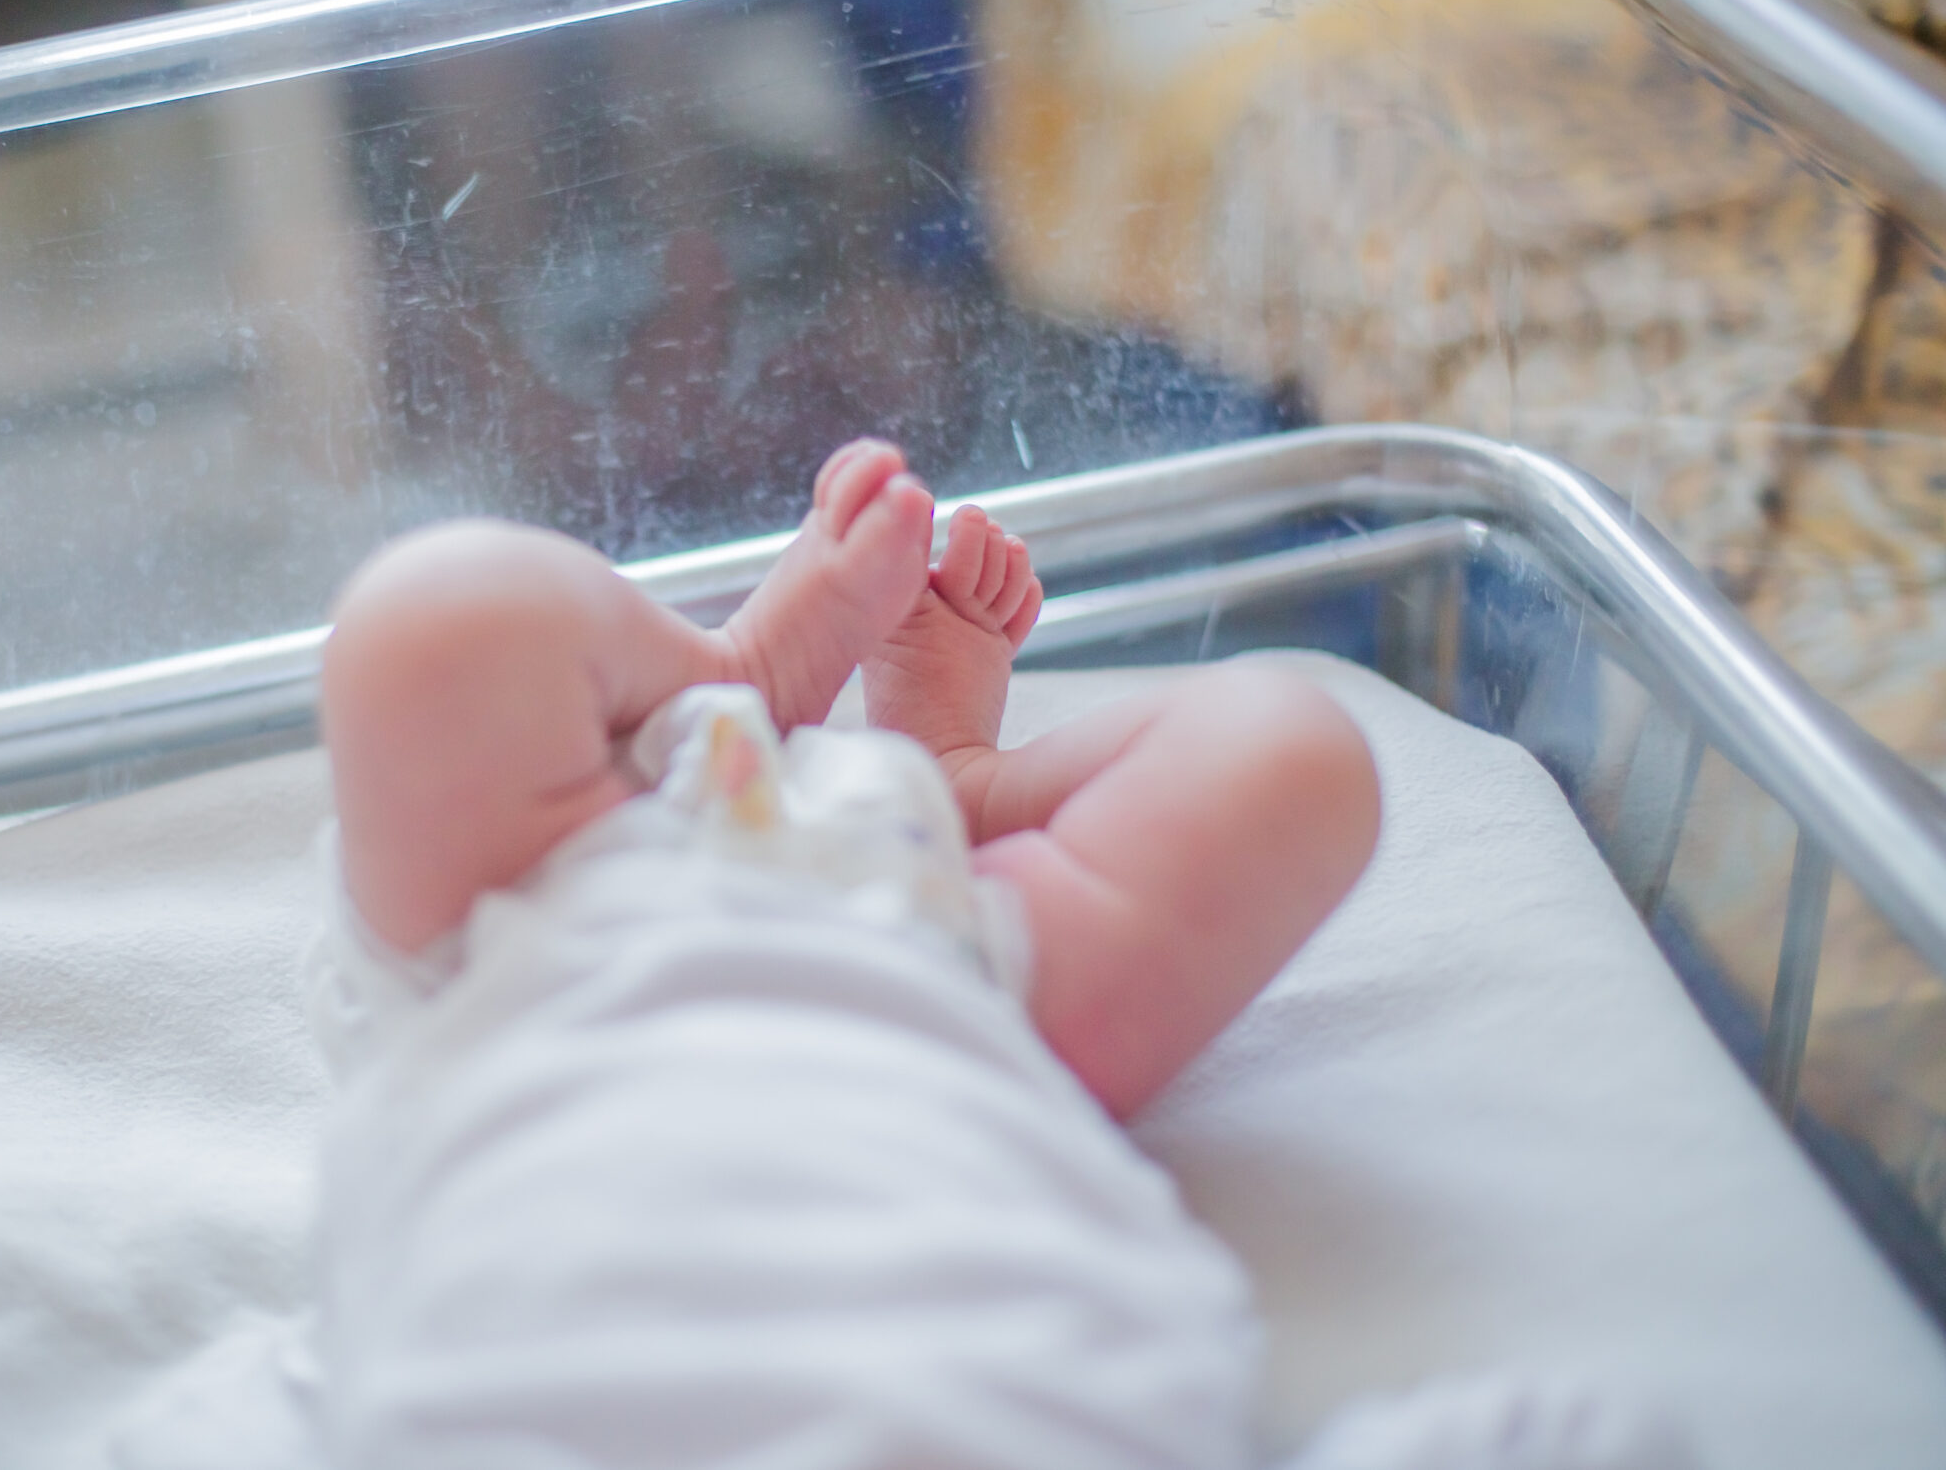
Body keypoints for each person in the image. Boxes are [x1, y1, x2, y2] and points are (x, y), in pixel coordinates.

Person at [295, 438, 1566, 1468]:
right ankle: (945, 786)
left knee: (434, 626)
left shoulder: (467, 958)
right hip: (981, 1156)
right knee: (1291, 759)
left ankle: (765, 695)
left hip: (633, 986)